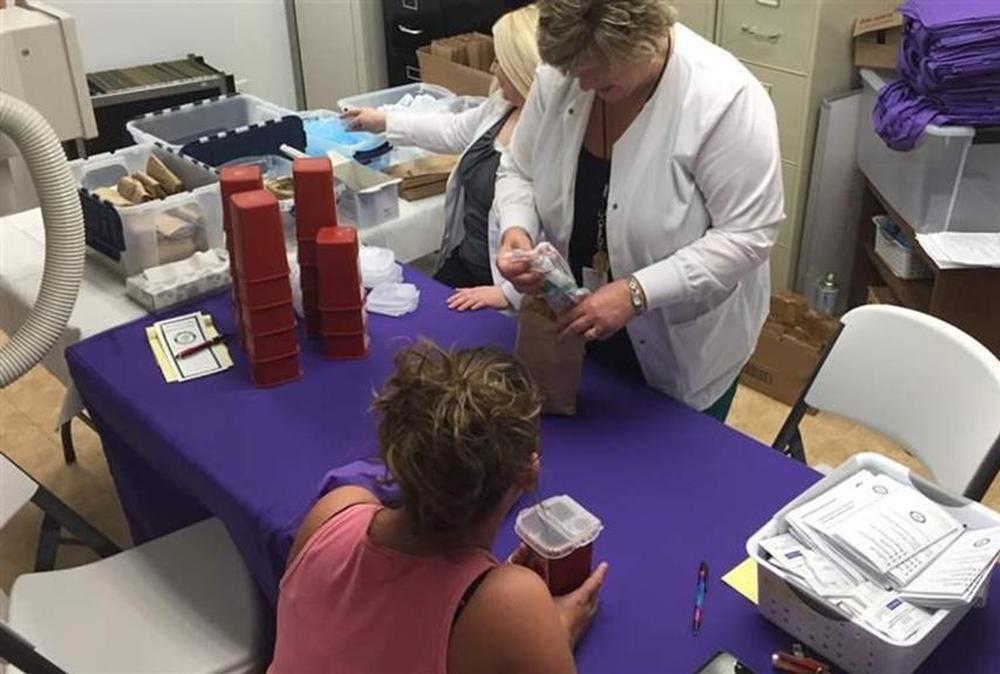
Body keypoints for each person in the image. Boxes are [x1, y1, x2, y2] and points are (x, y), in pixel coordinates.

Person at [495, 0, 784, 422]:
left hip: (681, 344)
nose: (584, 83)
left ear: (650, 39)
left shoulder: (725, 99)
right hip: (579, 322)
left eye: (601, 74)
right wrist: (516, 230)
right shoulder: (565, 74)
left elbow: (748, 236)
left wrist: (637, 292)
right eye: (574, 71)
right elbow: (518, 170)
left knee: (664, 471)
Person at [270, 344, 608, 674]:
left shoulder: (335, 509)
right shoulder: (514, 603)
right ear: (529, 473)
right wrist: (552, 634)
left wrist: (486, 595)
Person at [343, 5, 540, 312]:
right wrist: (383, 120)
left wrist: (509, 295)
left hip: (510, 287)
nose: (491, 69)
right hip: (467, 261)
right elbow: (452, 130)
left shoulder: (553, 138)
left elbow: (561, 240)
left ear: (523, 68)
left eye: (500, 61)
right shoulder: (501, 105)